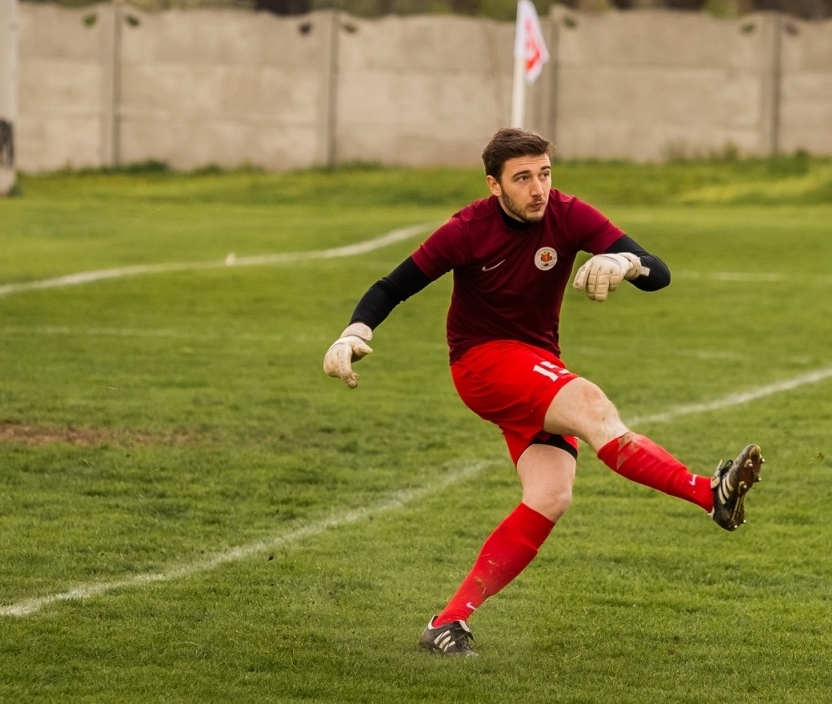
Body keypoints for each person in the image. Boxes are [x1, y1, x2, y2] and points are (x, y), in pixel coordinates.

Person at [322, 128, 762, 657]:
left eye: (545, 173)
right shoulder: (467, 229)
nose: (538, 188)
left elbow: (659, 273)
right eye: (523, 178)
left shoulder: (569, 214)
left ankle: (448, 622)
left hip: (535, 366)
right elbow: (393, 286)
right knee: (594, 408)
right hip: (482, 364)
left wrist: (626, 262)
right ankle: (707, 492)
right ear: (494, 185)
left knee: (550, 496)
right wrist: (354, 333)